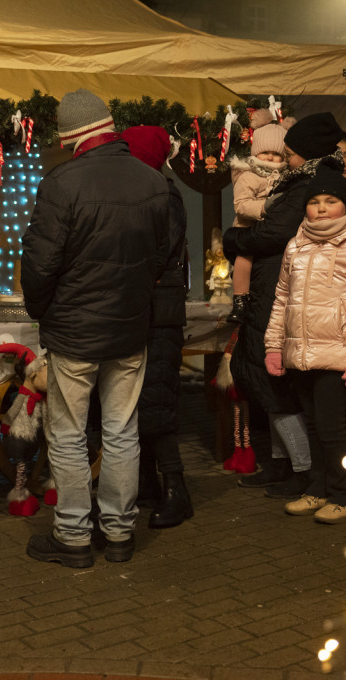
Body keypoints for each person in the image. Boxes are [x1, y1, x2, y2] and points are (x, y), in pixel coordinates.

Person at [21, 90, 169, 567]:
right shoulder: (153, 182)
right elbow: (163, 258)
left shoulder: (61, 184)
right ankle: (120, 534)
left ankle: (73, 538)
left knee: (67, 435)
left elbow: (39, 266)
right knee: (122, 431)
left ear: (71, 137)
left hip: (74, 333)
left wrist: (45, 312)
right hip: (129, 329)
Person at [222, 112, 346, 496]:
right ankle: (285, 464)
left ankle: (303, 470)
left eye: (290, 153)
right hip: (272, 288)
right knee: (267, 381)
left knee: (274, 384)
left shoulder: (309, 182)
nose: (286, 160)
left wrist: (235, 240)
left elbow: (275, 232)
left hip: (281, 291)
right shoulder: (301, 181)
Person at [264, 159, 346, 523]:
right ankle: (318, 489)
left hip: (339, 353)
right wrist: (275, 346)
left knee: (333, 428)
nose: (320, 208)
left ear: (345, 205)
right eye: (314, 201)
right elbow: (282, 300)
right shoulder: (296, 246)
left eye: (329, 201)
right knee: (314, 426)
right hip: (301, 352)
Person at [120, 125, 193, 529]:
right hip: (144, 309)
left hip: (158, 313)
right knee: (139, 401)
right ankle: (148, 481)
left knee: (157, 402)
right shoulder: (147, 193)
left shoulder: (163, 195)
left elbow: (157, 252)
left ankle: (176, 490)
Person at [227, 122, 288, 324]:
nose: (270, 157)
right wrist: (265, 208)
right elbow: (241, 205)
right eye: (265, 152)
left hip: (272, 230)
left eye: (276, 153)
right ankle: (240, 298)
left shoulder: (285, 176)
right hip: (248, 227)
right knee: (244, 259)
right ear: (255, 152)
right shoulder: (247, 176)